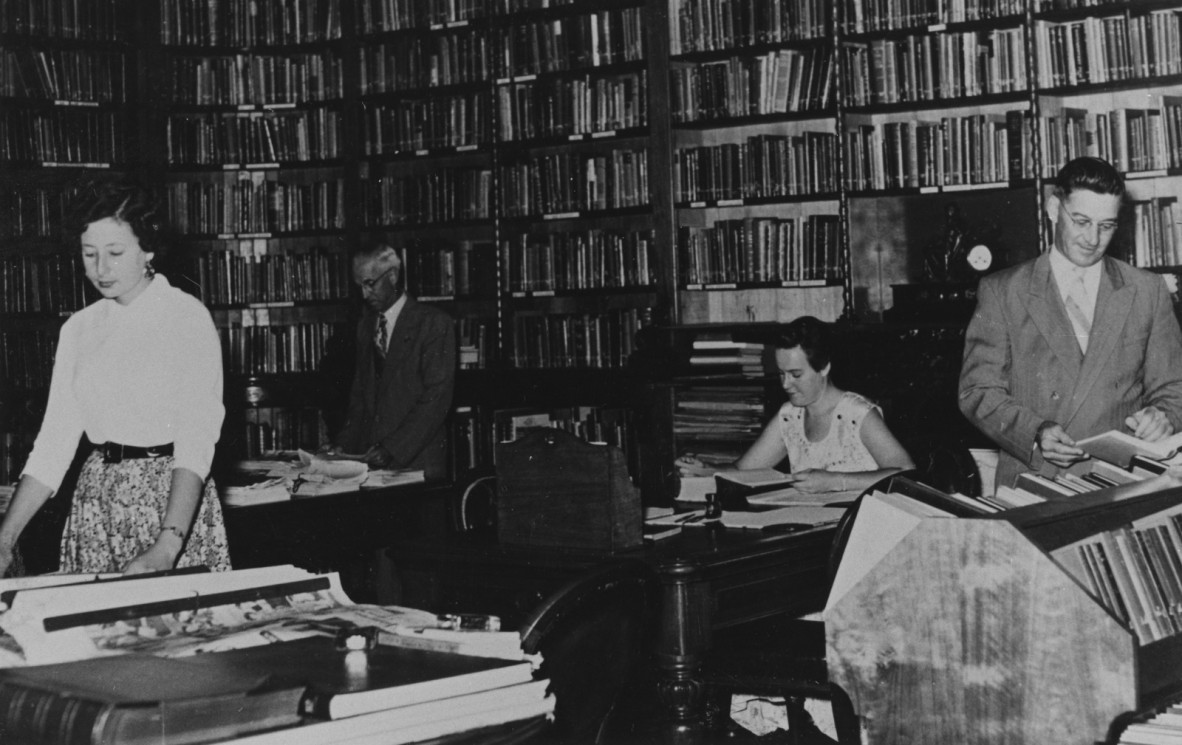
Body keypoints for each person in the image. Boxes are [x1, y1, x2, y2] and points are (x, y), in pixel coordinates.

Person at [0, 177, 231, 576]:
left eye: (116, 253)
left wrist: (166, 546)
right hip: (96, 505)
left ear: (149, 250)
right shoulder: (79, 329)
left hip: (170, 508)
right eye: (89, 255)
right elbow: (54, 442)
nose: (101, 269)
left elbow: (196, 442)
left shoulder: (185, 317)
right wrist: (5, 539)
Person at [959, 156, 1182, 489]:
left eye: (1106, 225)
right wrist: (1035, 433)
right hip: (1035, 479)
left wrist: (1164, 416)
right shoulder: (1004, 291)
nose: (1092, 238)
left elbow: (1175, 388)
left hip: (1124, 481)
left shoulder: (1146, 290)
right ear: (1053, 209)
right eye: (1080, 221)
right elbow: (978, 392)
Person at [675, 316, 915, 493]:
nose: (786, 384)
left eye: (796, 374)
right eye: (781, 373)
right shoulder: (790, 416)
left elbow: (906, 473)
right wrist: (706, 469)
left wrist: (836, 481)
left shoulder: (857, 414)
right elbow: (744, 471)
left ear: (824, 367)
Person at [325, 238, 456, 479]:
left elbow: (436, 400)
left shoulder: (433, 324)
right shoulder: (366, 327)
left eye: (370, 284)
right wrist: (343, 446)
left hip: (419, 466)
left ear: (393, 276)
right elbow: (360, 399)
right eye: (359, 286)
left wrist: (392, 448)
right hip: (374, 469)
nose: (364, 294)